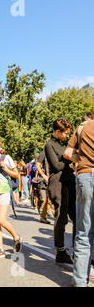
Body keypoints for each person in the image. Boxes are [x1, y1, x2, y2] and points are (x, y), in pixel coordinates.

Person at [64, 112, 94, 286]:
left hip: (85, 176)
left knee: (84, 232)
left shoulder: (82, 127)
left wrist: (80, 159)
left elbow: (68, 153)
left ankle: (80, 281)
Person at [44, 117, 76, 267]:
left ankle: (78, 249)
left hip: (68, 182)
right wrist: (70, 159)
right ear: (58, 131)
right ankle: (60, 252)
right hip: (57, 184)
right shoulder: (49, 144)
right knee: (61, 218)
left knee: (76, 216)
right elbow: (56, 165)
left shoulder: (60, 144)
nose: (67, 136)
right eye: (66, 133)